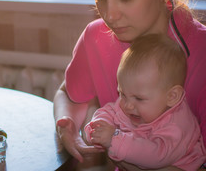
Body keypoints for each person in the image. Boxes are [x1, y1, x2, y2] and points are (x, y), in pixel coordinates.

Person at [53, 0, 206, 169]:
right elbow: (68, 94)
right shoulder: (95, 37)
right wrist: (66, 124)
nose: (109, 15)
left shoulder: (202, 51)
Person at [84, 34, 206, 170]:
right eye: (122, 94)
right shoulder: (132, 101)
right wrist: (99, 125)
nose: (127, 105)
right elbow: (111, 110)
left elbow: (157, 156)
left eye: (139, 98)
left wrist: (114, 139)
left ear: (172, 96)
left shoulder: (177, 126)